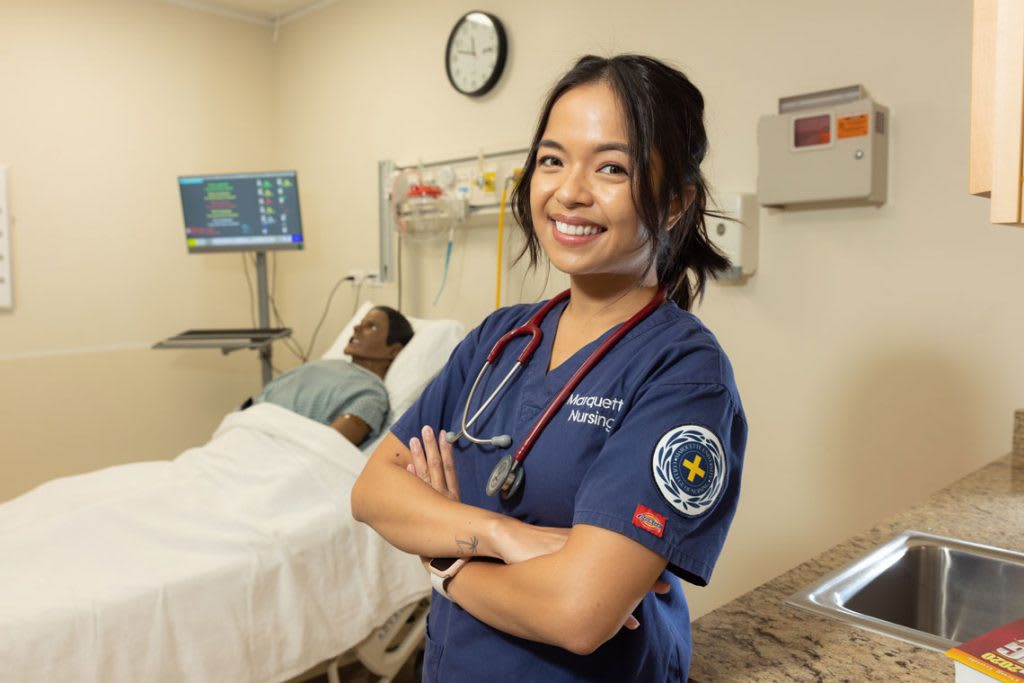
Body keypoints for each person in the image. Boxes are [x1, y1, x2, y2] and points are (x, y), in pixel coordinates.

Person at [351, 54, 747, 681]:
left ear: (675, 203)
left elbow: (578, 613)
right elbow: (373, 492)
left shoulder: (683, 376)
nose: (569, 191)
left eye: (611, 167)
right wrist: (498, 535)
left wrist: (445, 561)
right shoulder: (500, 339)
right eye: (552, 160)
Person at [253, 306, 414, 446]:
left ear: (393, 350)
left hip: (272, 447)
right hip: (246, 428)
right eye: (360, 323)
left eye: (371, 326)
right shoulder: (325, 364)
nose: (356, 328)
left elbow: (329, 446)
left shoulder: (370, 393)